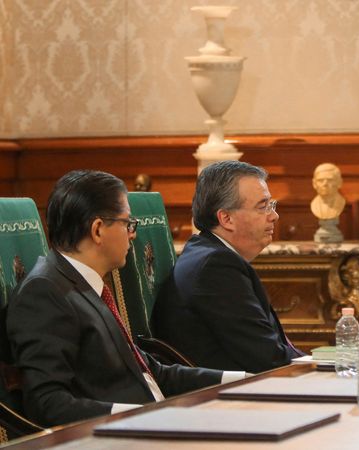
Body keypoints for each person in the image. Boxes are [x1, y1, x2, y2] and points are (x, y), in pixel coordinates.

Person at [5, 170, 242, 427]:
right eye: (127, 223)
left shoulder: (86, 284)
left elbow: (151, 372)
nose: (133, 234)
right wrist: (143, 417)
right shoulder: (44, 293)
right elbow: (48, 403)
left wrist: (242, 380)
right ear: (97, 230)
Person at [152, 160, 302, 373]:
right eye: (263, 207)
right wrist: (322, 365)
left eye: (272, 205)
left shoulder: (208, 253)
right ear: (226, 218)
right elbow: (268, 358)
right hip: (229, 398)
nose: (274, 216)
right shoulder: (215, 267)